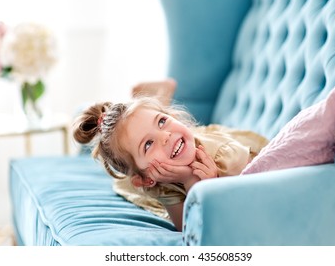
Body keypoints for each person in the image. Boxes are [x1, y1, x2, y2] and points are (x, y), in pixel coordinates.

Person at [73, 79, 268, 231]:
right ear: (147, 181)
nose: (165, 136)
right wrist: (190, 179)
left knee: (162, 142)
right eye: (148, 144)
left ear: (173, 117)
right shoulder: (156, 180)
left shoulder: (225, 158)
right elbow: (188, 225)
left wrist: (207, 186)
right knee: (123, 182)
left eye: (162, 121)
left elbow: (250, 205)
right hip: (155, 167)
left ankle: (159, 97)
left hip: (218, 147)